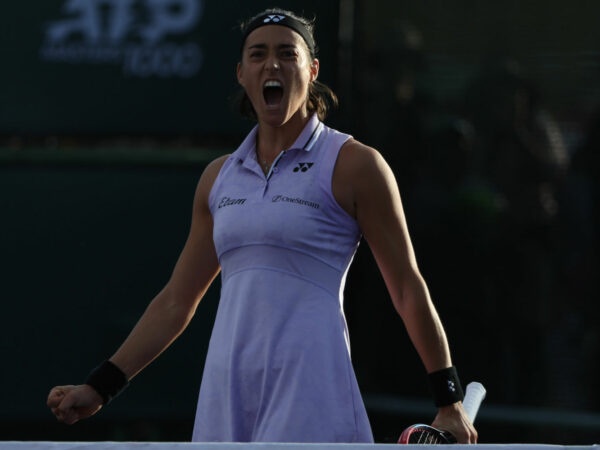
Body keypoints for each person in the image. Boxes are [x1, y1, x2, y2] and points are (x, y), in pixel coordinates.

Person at [47, 8, 478, 444]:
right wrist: (100, 386)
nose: (272, 64)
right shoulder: (218, 178)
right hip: (226, 390)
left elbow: (406, 287)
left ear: (312, 71)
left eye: (286, 54)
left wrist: (449, 401)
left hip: (312, 389)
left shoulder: (356, 164)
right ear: (241, 73)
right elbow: (176, 302)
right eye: (258, 54)